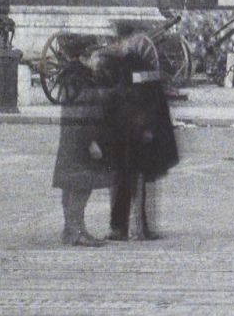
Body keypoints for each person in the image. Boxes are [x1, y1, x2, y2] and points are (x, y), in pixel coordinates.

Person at [99, 32, 179, 240]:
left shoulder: (118, 67)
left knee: (123, 180)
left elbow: (117, 100)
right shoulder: (143, 67)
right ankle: (140, 227)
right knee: (139, 181)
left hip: (127, 132)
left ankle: (122, 227)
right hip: (139, 133)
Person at [51, 63, 114, 247]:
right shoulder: (84, 84)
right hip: (82, 142)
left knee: (70, 185)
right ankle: (76, 231)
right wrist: (91, 141)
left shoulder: (71, 80)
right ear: (84, 57)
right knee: (81, 186)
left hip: (71, 140)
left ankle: (72, 229)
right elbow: (83, 114)